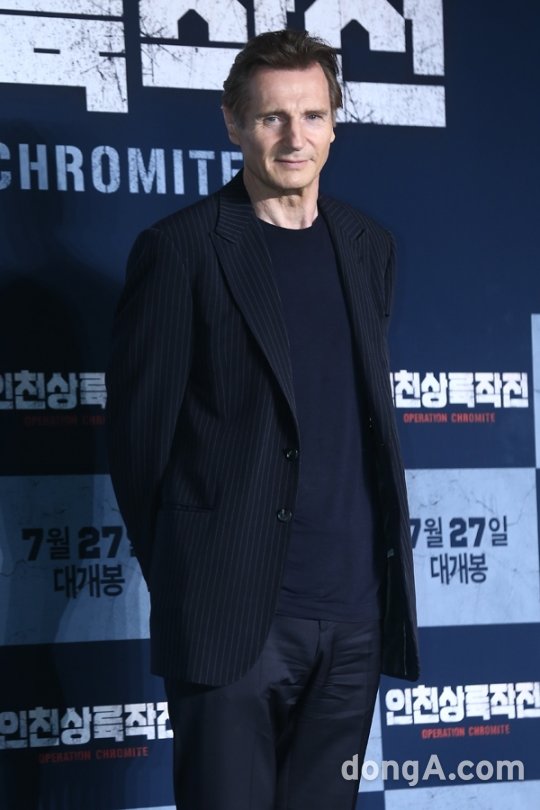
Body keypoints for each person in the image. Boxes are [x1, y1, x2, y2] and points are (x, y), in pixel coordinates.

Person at [106, 28, 419, 810]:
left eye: (313, 115)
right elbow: (139, 448)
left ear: (335, 124)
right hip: (232, 618)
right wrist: (194, 578)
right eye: (273, 117)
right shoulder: (180, 249)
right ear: (233, 123)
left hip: (353, 615)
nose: (294, 137)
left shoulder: (368, 245)